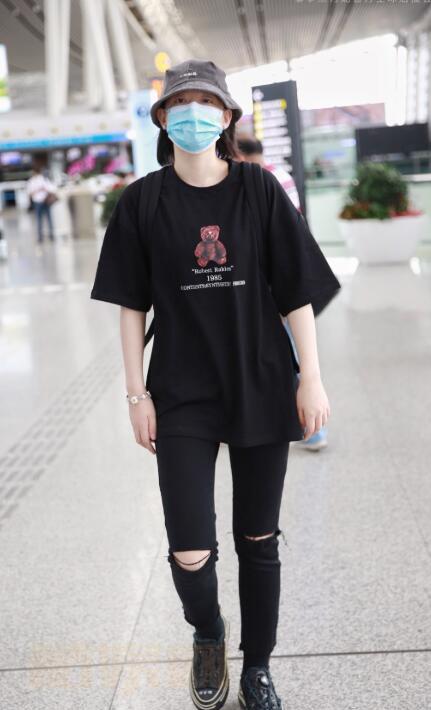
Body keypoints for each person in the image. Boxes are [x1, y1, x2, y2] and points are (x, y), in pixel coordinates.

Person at [90, 59, 341, 710]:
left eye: (206, 103)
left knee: (258, 539)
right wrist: (135, 394)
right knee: (190, 548)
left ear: (227, 116)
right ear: (161, 118)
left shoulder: (258, 189)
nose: (193, 114)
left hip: (261, 379)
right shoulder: (143, 201)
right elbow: (130, 305)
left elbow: (296, 292)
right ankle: (207, 632)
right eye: (180, 104)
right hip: (180, 391)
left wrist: (310, 378)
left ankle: (257, 668)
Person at [237, 137, 329, 451]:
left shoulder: (261, 182)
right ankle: (313, 427)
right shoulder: (281, 175)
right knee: (293, 347)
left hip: (272, 284)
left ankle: (312, 428)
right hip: (284, 275)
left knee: (291, 350)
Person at [26, 166, 56, 243]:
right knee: (40, 219)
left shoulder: (43, 179)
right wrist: (38, 190)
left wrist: (43, 189)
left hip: (45, 201)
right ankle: (40, 236)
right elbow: (29, 193)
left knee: (48, 218)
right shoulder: (31, 181)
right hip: (37, 202)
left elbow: (51, 188)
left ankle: (50, 235)